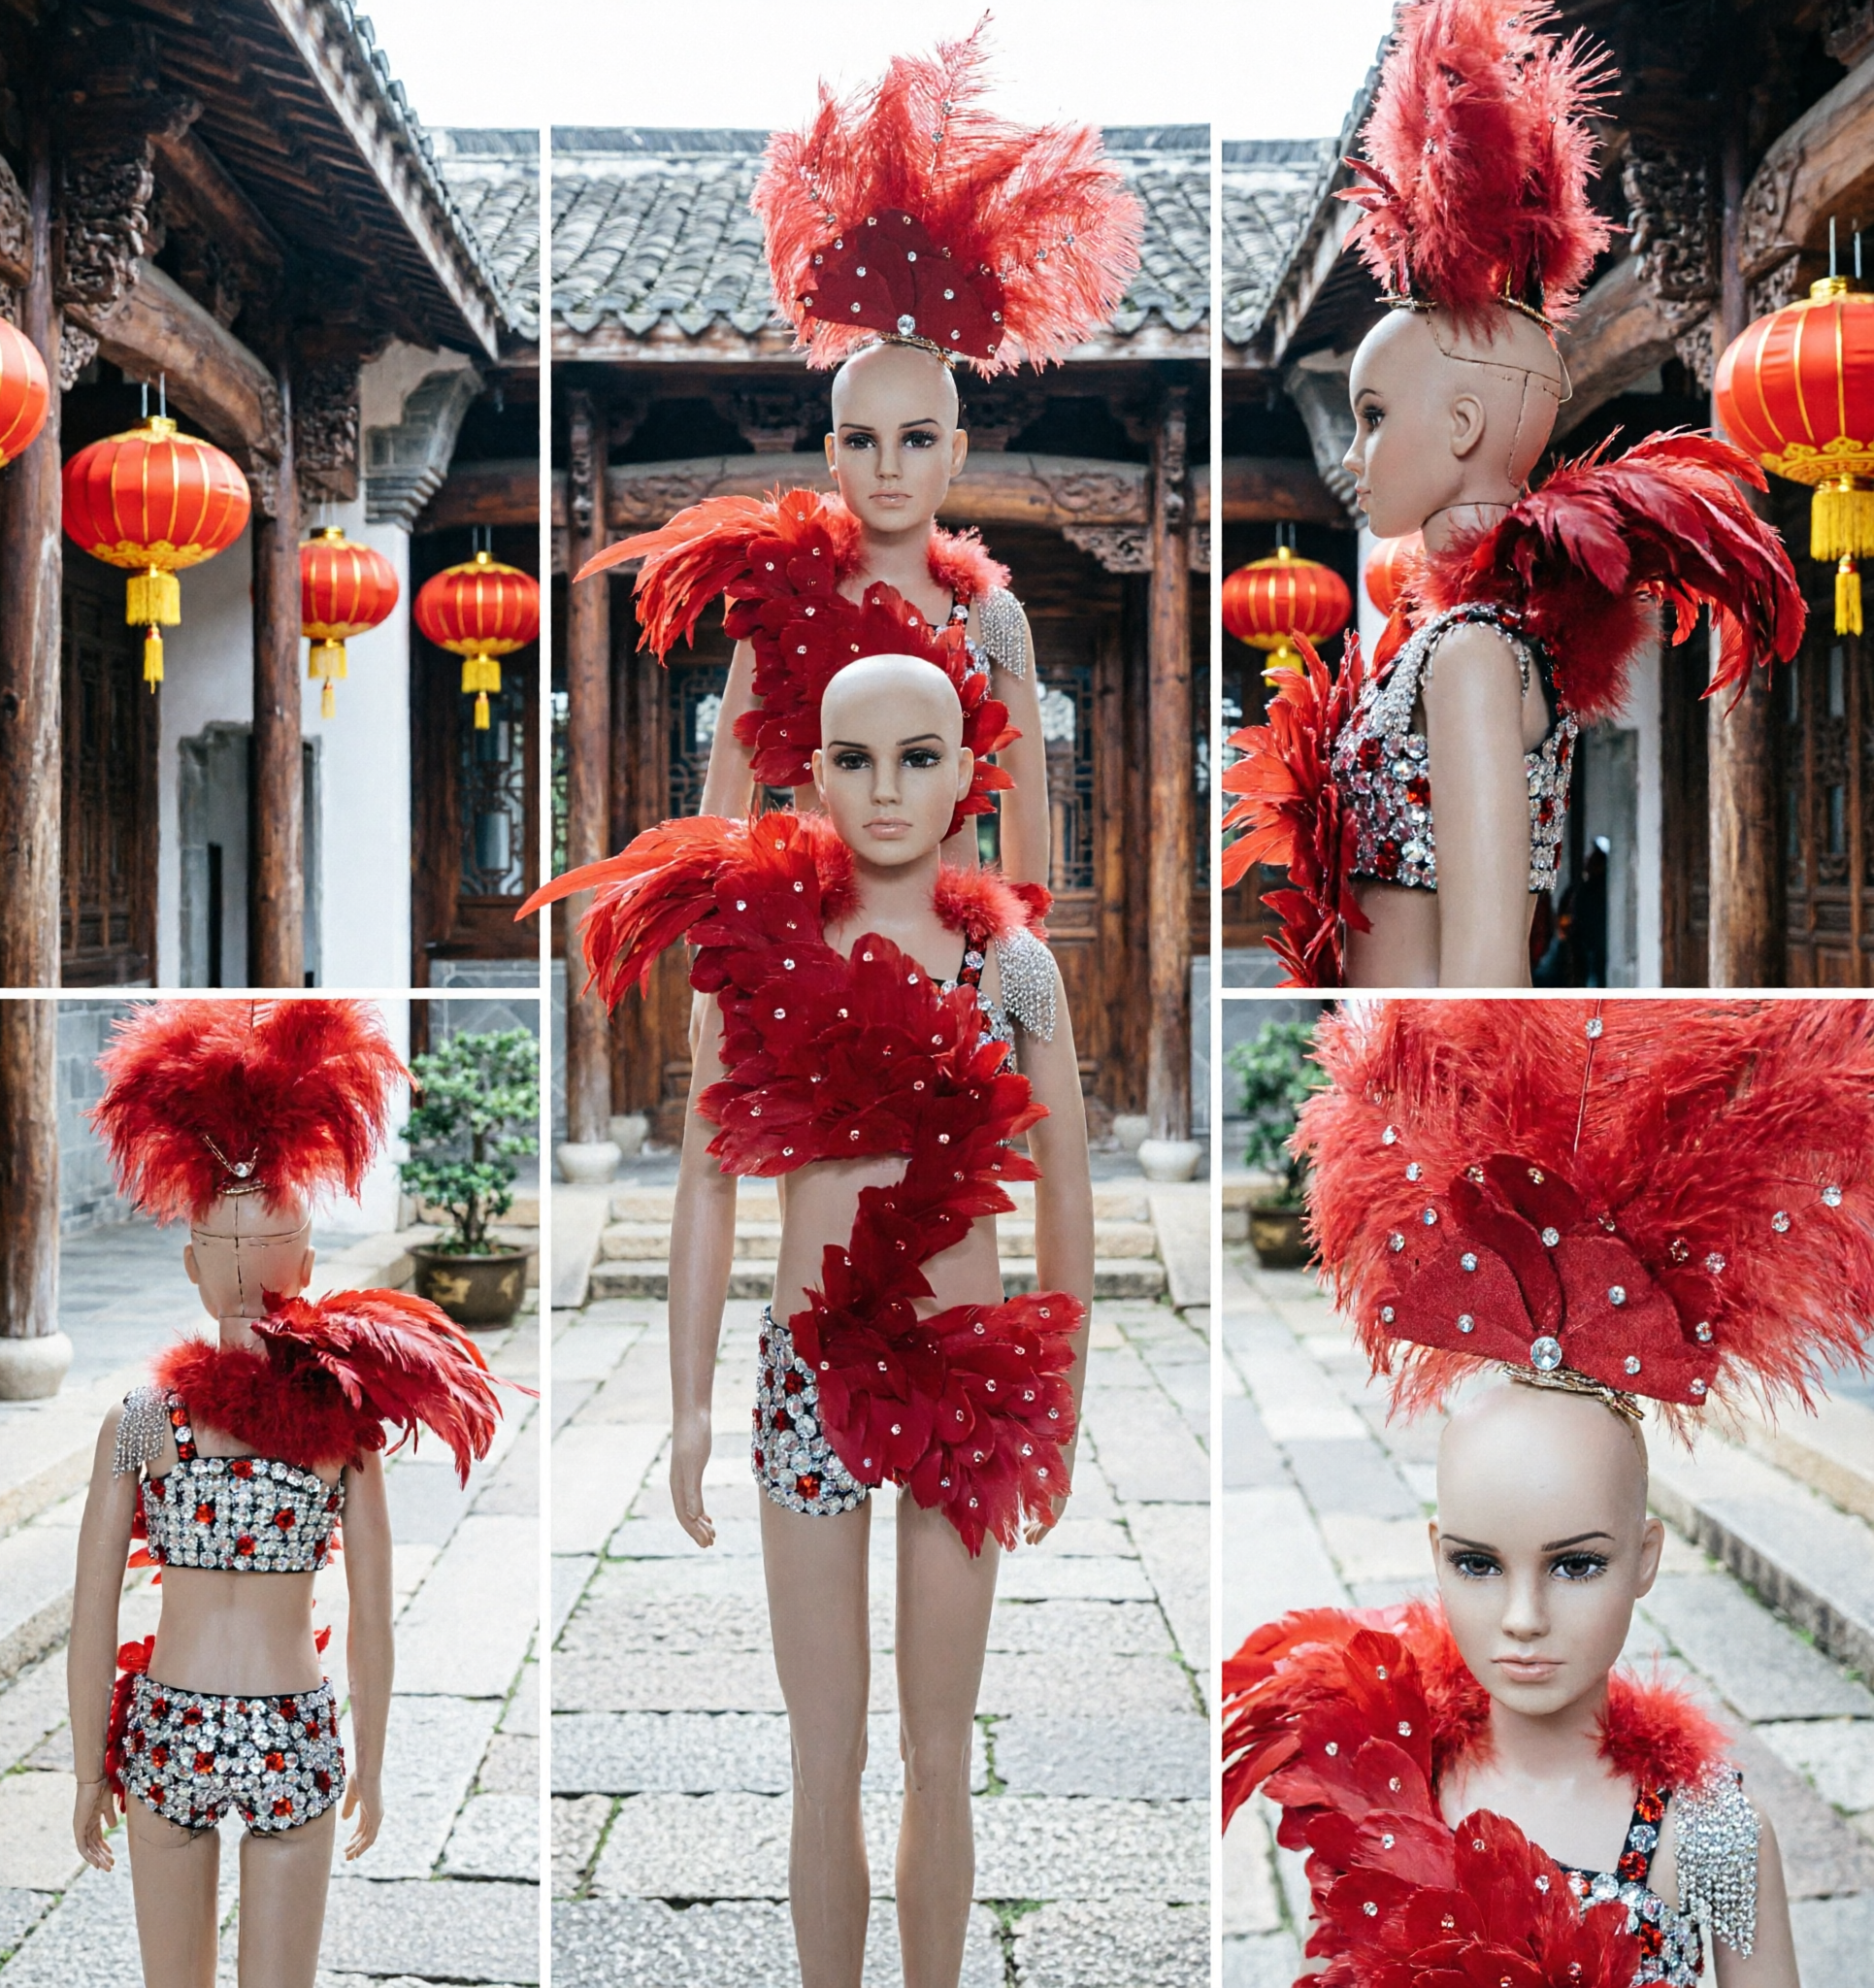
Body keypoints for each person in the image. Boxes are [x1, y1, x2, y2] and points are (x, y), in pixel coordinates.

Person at [524, 653, 1095, 1988]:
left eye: (918, 755)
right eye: (852, 758)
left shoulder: (1011, 967)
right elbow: (706, 1182)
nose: (886, 787)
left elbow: (1065, 1192)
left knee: (939, 1745)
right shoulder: (754, 952)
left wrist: (1063, 1403)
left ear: (968, 769)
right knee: (822, 1745)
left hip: (966, 1371)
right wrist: (686, 1406)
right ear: (810, 773)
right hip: (808, 1376)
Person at [1225, 998, 1874, 1985]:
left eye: (1576, 1562)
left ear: (1643, 1555)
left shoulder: (1705, 1829)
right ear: (1436, 1550)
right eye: (1479, 1563)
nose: (1522, 1618)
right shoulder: (1385, 1777)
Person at [1219, 0, 1804, 989]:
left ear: (1459, 427)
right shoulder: (1460, 642)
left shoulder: (1475, 652)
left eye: (1370, 415)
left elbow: (1489, 959)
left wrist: (1427, 1135)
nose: (1354, 453)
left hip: (1424, 1099)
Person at [574, 21, 1144, 892]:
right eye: (866, 443)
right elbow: (729, 794)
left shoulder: (993, 621)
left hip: (949, 965)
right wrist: (717, 962)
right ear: (833, 455)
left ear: (953, 454)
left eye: (916, 441)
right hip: (804, 953)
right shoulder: (779, 601)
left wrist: (1020, 970)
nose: (890, 467)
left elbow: (1024, 811)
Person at [66, 1000, 521, 1988]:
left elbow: (89, 1612)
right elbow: (372, 1614)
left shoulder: (142, 1420)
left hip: (171, 1724)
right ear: (306, 1267)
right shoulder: (341, 1429)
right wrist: (374, 1756)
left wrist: (86, 1769)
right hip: (288, 1725)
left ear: (192, 1268)